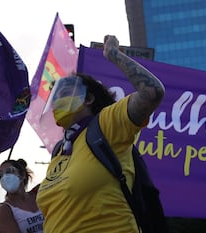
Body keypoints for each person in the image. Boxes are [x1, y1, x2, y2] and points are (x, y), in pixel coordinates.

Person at [36, 35, 166, 233]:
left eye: (65, 93)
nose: (56, 102)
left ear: (88, 98)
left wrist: (114, 55)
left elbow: (152, 92)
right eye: (55, 97)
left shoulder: (106, 124)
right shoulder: (60, 150)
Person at [0, 158, 44, 233]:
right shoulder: (4, 209)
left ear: (22, 175)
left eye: (9, 171)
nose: (5, 177)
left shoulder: (38, 194)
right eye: (1, 174)